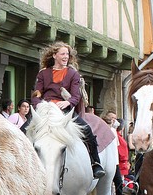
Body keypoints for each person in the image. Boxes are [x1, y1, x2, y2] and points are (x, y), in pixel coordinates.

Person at [31, 42, 105, 179]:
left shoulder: (73, 74)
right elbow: (37, 93)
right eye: (63, 54)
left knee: (86, 130)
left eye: (67, 54)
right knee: (24, 129)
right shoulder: (43, 74)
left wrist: (67, 102)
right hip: (45, 109)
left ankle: (95, 162)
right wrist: (38, 105)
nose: (66, 57)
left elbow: (76, 96)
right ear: (54, 55)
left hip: (64, 111)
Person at [103, 111, 132, 195]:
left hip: (115, 162)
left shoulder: (114, 131)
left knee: (118, 182)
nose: (114, 120)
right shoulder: (105, 130)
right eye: (112, 118)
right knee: (108, 184)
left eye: (115, 118)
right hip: (108, 161)